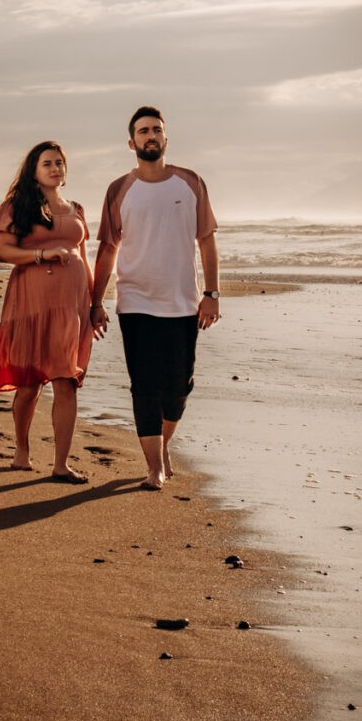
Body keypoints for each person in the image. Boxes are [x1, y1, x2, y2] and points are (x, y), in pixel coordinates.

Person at [90, 106, 220, 491]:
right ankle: (154, 468)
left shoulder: (190, 182)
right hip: (135, 302)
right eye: (143, 131)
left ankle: (163, 444)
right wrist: (95, 301)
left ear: (165, 139)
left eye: (156, 130)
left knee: (179, 388)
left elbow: (207, 241)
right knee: (144, 385)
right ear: (131, 142)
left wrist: (212, 294)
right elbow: (108, 249)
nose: (151, 136)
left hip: (183, 302)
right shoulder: (119, 189)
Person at [0, 141, 93, 484]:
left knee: (66, 380)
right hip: (31, 302)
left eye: (60, 162)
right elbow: (4, 252)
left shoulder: (76, 208)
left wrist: (98, 303)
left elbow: (84, 258)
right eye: (47, 163)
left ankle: (61, 465)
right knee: (29, 383)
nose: (55, 167)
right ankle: (22, 452)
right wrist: (42, 256)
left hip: (72, 304)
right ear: (34, 169)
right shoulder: (18, 205)